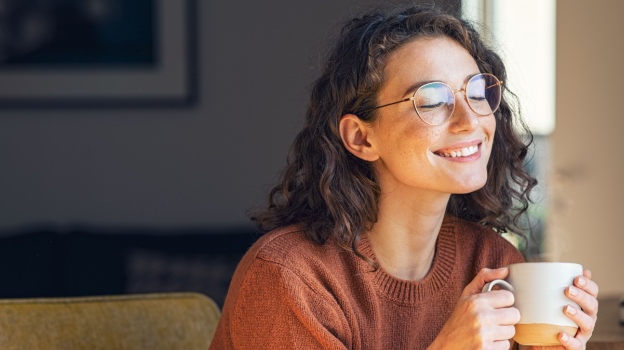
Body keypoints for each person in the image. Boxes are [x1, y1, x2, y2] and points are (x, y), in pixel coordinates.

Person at [210, 5, 599, 350]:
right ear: (362, 138)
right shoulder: (291, 279)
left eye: (477, 92)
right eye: (432, 101)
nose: (471, 121)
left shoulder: (491, 262)